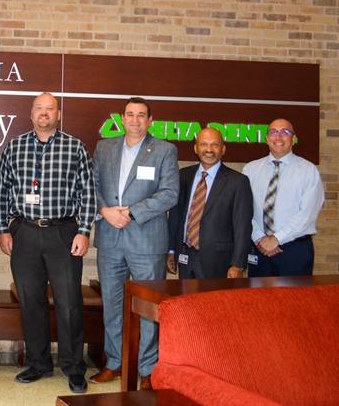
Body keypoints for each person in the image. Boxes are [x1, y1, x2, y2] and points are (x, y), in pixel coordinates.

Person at [0, 93, 95, 395]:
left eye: (50, 108)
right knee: (31, 301)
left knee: (68, 304)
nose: (44, 113)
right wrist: (3, 229)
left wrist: (84, 230)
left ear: (58, 115)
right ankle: (39, 362)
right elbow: (2, 190)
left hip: (64, 232)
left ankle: (74, 366)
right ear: (31, 114)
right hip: (24, 231)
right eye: (39, 108)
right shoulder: (15, 146)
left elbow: (87, 192)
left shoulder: (75, 147)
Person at [91, 97, 178, 390]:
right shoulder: (105, 147)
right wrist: (104, 211)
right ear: (122, 118)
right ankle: (114, 364)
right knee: (113, 306)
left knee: (150, 309)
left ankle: (148, 369)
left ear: (150, 120)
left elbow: (169, 193)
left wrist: (130, 213)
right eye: (130, 114)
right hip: (110, 238)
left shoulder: (165, 150)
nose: (135, 120)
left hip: (146, 239)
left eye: (142, 115)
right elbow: (91, 187)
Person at [167, 128, 253, 279]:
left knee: (215, 302)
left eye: (215, 145)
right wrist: (172, 250)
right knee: (187, 301)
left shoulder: (237, 181)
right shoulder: (183, 175)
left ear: (223, 149)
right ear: (196, 148)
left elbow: (243, 226)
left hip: (220, 261)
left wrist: (238, 264)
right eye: (203, 144)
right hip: (186, 255)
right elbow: (175, 216)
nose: (209, 149)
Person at [243, 118, 325, 276]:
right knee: (258, 300)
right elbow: (244, 211)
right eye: (273, 132)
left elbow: (307, 214)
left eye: (285, 132)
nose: (278, 137)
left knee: (294, 300)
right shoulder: (250, 169)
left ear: (293, 139)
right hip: (259, 248)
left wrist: (276, 239)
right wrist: (259, 238)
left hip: (294, 251)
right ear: (267, 138)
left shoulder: (308, 170)